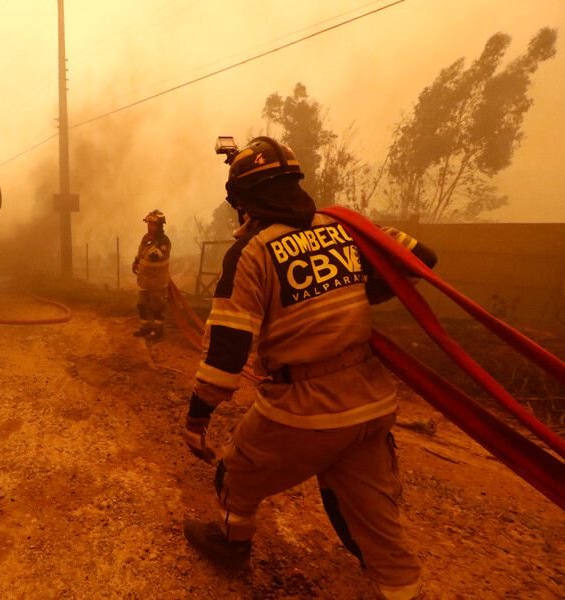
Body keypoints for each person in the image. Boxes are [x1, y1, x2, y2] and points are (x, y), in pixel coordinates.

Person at [181, 137, 437, 600]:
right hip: (370, 402)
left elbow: (226, 355)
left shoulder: (252, 252)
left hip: (304, 411)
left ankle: (232, 542)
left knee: (234, 473)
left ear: (242, 201)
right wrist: (360, 291)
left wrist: (198, 417)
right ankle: (403, 589)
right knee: (377, 522)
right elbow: (421, 258)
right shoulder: (346, 228)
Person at [131, 209, 171, 340]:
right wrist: (136, 261)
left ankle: (157, 330)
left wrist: (155, 247)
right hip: (144, 279)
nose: (150, 227)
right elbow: (141, 252)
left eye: (153, 224)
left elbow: (159, 255)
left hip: (158, 281)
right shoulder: (146, 238)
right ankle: (145, 327)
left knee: (157, 306)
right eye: (149, 224)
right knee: (141, 304)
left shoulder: (164, 241)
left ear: (160, 226)